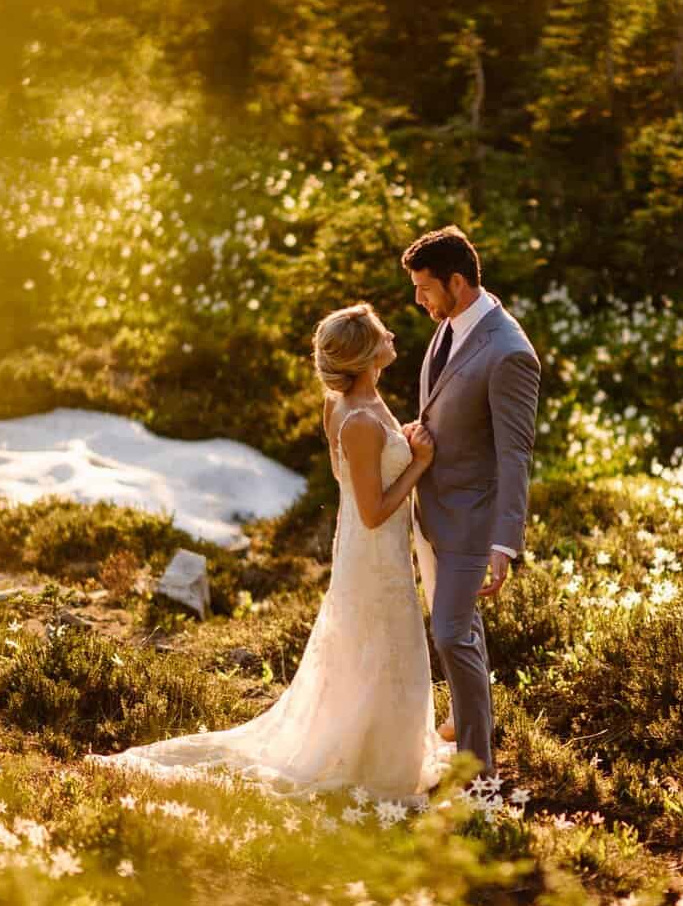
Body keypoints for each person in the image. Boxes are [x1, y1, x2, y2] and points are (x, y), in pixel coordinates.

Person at [87, 303, 453, 801]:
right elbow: (373, 510)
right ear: (366, 355)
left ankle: (377, 748)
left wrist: (401, 445)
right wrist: (419, 463)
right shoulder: (360, 419)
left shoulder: (351, 404)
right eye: (380, 332)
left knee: (374, 647)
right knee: (386, 644)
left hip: (365, 550)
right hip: (373, 551)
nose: (391, 333)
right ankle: (376, 764)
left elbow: (344, 477)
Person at [401, 226, 541, 778]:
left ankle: (478, 771)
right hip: (433, 513)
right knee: (462, 630)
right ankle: (465, 724)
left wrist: (504, 542)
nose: (419, 300)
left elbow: (516, 454)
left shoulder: (510, 354)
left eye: (425, 288)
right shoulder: (452, 324)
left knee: (452, 633)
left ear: (457, 282)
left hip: (473, 522)